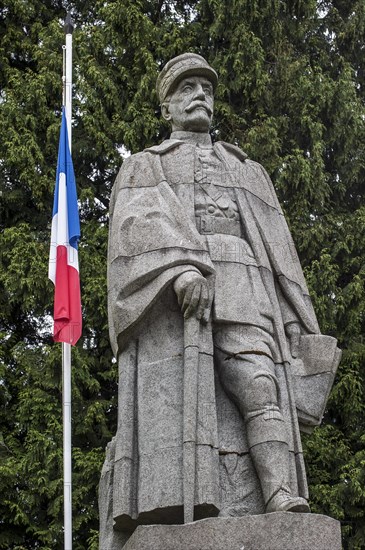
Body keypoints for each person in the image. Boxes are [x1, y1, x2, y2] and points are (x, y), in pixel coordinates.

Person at [99, 53, 339, 546]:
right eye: (185, 88)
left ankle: (279, 494)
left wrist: (295, 322)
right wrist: (179, 267)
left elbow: (279, 254)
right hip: (179, 300)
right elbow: (136, 227)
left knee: (259, 386)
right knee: (190, 401)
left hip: (246, 284)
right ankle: (186, 505)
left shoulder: (247, 169)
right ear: (166, 107)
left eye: (205, 87)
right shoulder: (147, 165)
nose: (199, 95)